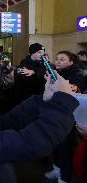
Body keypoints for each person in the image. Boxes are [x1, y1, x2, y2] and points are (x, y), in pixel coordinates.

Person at [44, 51, 84, 183]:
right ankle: (57, 168)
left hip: (69, 117)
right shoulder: (55, 73)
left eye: (62, 59)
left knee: (65, 147)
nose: (58, 61)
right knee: (56, 144)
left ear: (71, 62)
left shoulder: (77, 76)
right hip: (55, 113)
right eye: (57, 58)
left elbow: (71, 94)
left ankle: (64, 177)